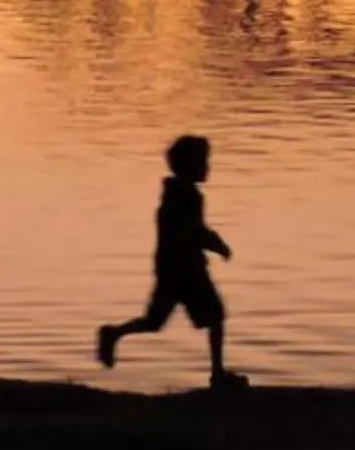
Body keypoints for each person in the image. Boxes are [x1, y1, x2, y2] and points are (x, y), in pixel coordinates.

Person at [96, 134, 244, 391]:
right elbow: (193, 231)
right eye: (203, 162)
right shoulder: (188, 197)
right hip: (187, 270)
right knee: (215, 317)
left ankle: (114, 333)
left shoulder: (173, 194)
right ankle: (218, 375)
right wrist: (218, 245)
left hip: (169, 269)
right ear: (190, 166)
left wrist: (209, 242)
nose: (208, 167)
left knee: (154, 322)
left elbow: (189, 230)